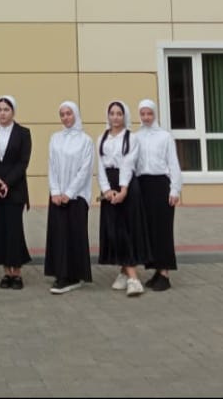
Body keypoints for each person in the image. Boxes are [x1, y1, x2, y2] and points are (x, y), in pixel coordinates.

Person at [97, 100, 151, 298]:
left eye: (119, 114)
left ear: (124, 116)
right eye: (112, 113)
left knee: (126, 230)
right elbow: (100, 166)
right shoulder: (102, 137)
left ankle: (133, 279)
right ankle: (124, 272)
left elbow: (128, 163)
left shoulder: (131, 138)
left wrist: (123, 190)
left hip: (126, 185)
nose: (115, 117)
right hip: (109, 185)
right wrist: (106, 190)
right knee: (114, 230)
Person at [44, 101, 95, 295]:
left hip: (77, 196)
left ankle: (74, 275)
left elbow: (85, 170)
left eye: (69, 113)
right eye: (62, 114)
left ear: (76, 114)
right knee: (58, 235)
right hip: (57, 196)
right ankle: (60, 273)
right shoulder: (55, 138)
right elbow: (52, 166)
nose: (65, 117)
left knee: (74, 235)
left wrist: (69, 193)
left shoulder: (86, 140)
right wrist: (55, 191)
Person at [0, 95, 32, 289]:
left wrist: (7, 182)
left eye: (6, 110)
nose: (2, 113)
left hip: (15, 189)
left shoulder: (23, 133)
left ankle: (17, 273)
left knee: (14, 231)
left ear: (13, 112)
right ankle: (6, 273)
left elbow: (23, 162)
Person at [133, 98, 182, 291]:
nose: (146, 117)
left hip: (161, 185)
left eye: (149, 113)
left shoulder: (165, 136)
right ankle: (156, 270)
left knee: (163, 230)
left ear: (155, 114)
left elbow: (173, 163)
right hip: (142, 186)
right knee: (149, 231)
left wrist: (175, 189)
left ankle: (165, 274)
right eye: (143, 114)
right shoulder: (136, 137)